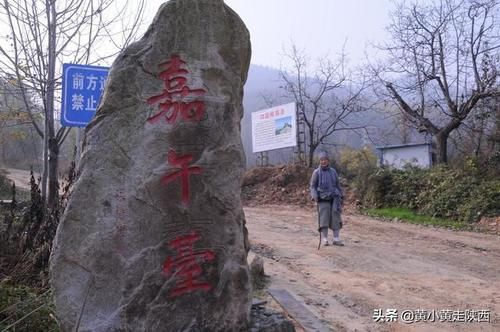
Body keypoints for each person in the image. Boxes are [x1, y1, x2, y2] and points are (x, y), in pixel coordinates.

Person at [310, 151, 344, 247]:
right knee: (324, 219)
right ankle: (324, 239)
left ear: (328, 161)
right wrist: (314, 195)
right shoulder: (316, 173)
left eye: (325, 160)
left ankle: (336, 239)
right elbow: (312, 186)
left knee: (336, 218)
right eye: (321, 160)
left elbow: (337, 184)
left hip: (334, 199)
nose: (323, 162)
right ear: (319, 161)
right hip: (322, 199)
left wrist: (341, 194)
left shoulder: (333, 172)